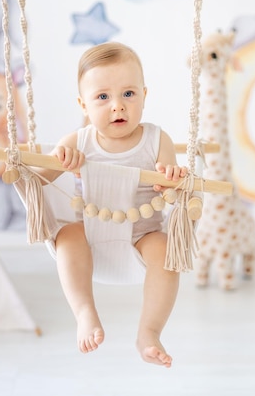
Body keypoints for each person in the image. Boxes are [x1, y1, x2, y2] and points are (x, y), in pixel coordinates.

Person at [38, 41, 186, 368]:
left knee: (167, 251)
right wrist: (60, 161)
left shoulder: (157, 139)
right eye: (103, 97)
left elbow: (171, 186)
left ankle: (149, 331)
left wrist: (169, 177)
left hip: (141, 236)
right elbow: (38, 181)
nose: (117, 106)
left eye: (128, 94)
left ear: (145, 96)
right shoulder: (77, 142)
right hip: (89, 233)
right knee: (66, 237)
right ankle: (84, 312)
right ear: (84, 105)